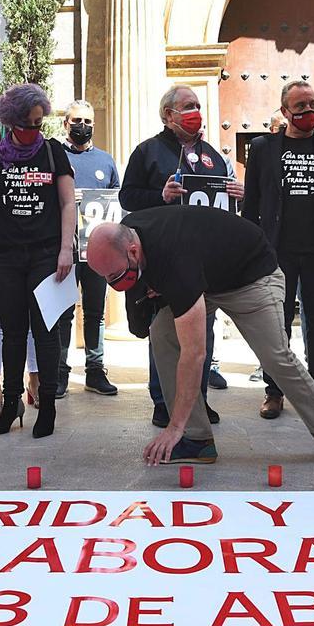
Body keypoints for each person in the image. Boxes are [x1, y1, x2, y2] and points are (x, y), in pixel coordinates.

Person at [86, 208, 314, 466]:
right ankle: (197, 440)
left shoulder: (173, 256)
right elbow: (139, 311)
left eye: (115, 275)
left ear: (133, 251)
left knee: (275, 355)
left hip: (253, 277)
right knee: (162, 333)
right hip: (205, 278)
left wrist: (173, 427)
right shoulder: (130, 236)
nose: (113, 283)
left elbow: (195, 354)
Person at [120, 84, 238, 428]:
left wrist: (237, 194)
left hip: (202, 262)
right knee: (164, 332)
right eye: (188, 106)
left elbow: (222, 208)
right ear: (168, 114)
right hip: (162, 258)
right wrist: (161, 195)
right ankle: (163, 400)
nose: (195, 111)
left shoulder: (214, 156)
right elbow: (128, 197)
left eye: (198, 105)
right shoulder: (148, 152)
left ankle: (197, 401)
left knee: (203, 332)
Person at [243, 81, 314, 419]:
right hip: (276, 252)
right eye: (300, 106)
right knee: (276, 324)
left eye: (312, 104)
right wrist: (248, 249)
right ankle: (274, 391)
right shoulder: (263, 148)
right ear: (285, 112)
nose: (308, 112)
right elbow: (251, 205)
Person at [0, 83, 74, 438]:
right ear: (12, 122)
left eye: (40, 123)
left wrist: (66, 249)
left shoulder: (53, 153)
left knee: (46, 334)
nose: (35, 130)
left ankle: (48, 406)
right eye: (28, 123)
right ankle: (11, 403)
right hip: (6, 255)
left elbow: (67, 203)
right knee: (12, 334)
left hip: (46, 254)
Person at [56, 99, 119, 398]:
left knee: (96, 311)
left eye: (88, 121)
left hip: (96, 250)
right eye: (77, 121)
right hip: (64, 249)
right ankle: (59, 373)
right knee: (64, 311)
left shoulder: (106, 161)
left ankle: (95, 371)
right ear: (65, 123)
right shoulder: (55, 157)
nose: (83, 126)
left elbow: (118, 201)